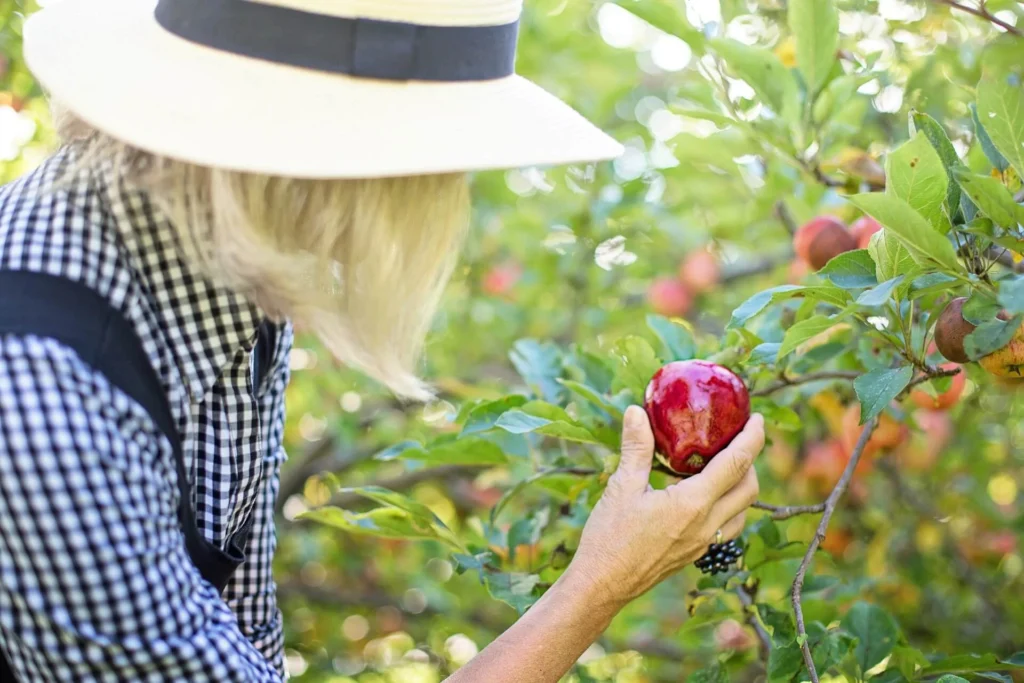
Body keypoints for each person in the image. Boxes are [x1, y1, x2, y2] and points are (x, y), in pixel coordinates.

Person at [0, 0, 764, 680]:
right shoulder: (47, 406)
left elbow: (241, 635)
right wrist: (598, 583)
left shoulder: (233, 243)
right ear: (332, 164)